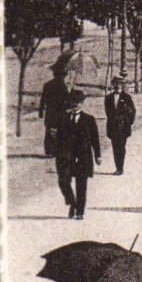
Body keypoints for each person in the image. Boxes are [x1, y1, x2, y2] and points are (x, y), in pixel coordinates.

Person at [54, 90, 100, 219]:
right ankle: (72, 202)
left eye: (78, 102)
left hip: (83, 157)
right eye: (73, 102)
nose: (75, 104)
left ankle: (80, 211)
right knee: (63, 181)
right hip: (65, 156)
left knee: (81, 185)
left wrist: (98, 155)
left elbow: (95, 139)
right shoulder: (62, 118)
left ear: (82, 103)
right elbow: (57, 138)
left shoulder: (89, 119)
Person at [103, 75, 137, 175]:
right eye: (116, 84)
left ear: (122, 85)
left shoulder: (127, 97)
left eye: (120, 84)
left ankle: (120, 168)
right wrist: (114, 120)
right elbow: (108, 112)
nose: (118, 86)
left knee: (121, 147)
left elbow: (132, 112)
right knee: (115, 146)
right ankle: (117, 167)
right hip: (113, 127)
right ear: (113, 85)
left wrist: (127, 122)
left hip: (123, 127)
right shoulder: (108, 98)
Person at [40, 60, 71, 157]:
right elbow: (68, 100)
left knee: (50, 130)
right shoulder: (64, 86)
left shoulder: (47, 85)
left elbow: (43, 99)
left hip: (51, 111)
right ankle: (57, 150)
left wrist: (41, 111)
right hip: (60, 112)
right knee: (60, 130)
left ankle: (50, 151)